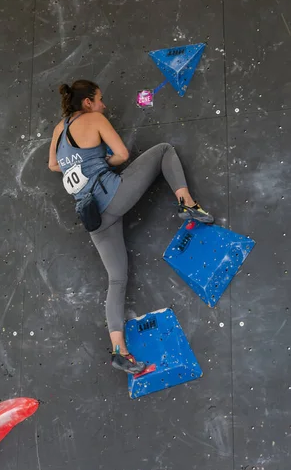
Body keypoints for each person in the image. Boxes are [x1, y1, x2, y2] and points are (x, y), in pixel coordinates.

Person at [48, 80, 214, 375]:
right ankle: (186, 201)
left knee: (116, 279)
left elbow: (53, 166)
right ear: (87, 103)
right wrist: (100, 162)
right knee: (164, 150)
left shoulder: (59, 130)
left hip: (93, 217)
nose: (103, 106)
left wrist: (82, 167)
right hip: (113, 195)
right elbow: (122, 155)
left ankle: (119, 350)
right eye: (99, 100)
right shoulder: (95, 119)